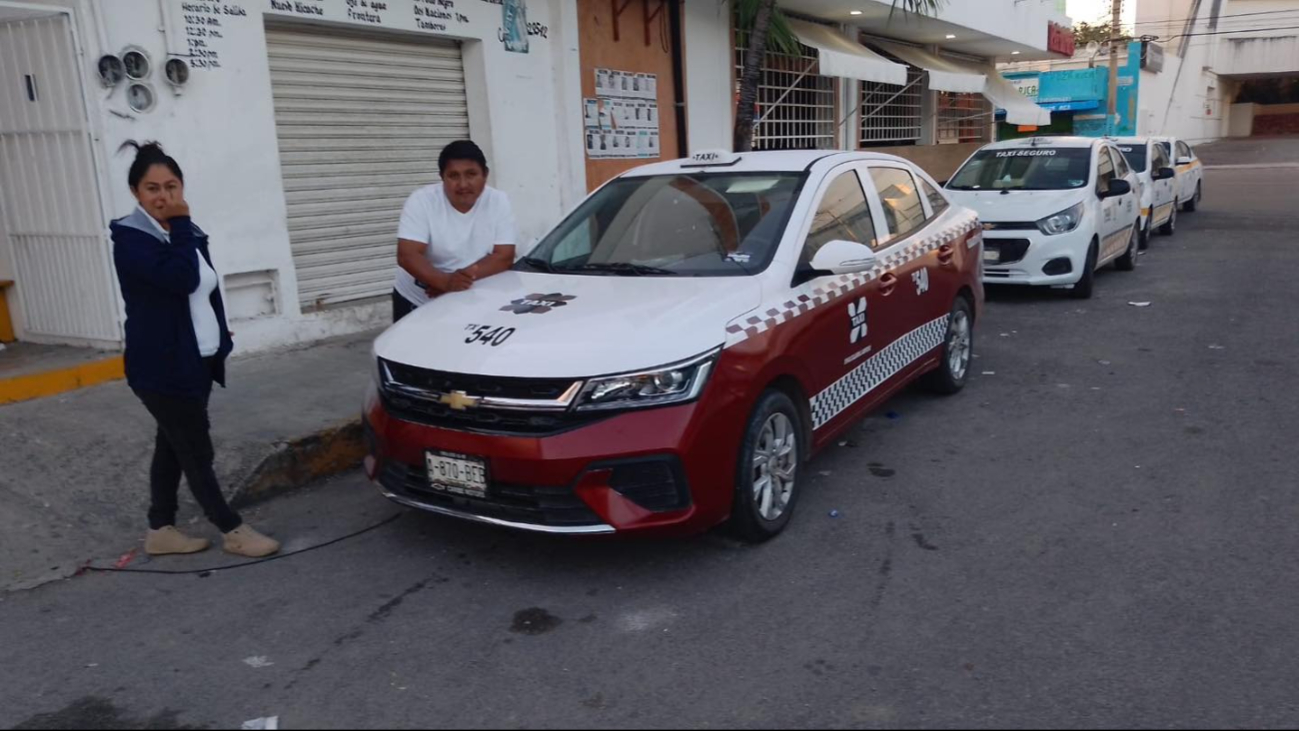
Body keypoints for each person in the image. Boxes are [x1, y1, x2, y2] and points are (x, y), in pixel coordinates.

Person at [110, 142, 280, 559]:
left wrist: (219, 335)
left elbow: (205, 291)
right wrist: (182, 225)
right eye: (152, 188)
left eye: (171, 186)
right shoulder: (132, 240)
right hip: (161, 367)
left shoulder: (188, 233)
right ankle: (232, 529)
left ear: (182, 187)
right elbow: (182, 279)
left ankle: (160, 529)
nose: (163, 196)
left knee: (171, 445)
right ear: (136, 193)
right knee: (195, 450)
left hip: (197, 361)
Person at [392, 140, 518, 322]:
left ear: (485, 174)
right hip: (418, 298)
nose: (463, 184)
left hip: (469, 293)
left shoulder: (498, 201)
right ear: (442, 177)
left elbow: (504, 257)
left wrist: (453, 283)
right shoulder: (421, 201)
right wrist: (443, 281)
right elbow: (407, 255)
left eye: (471, 174)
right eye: (453, 176)